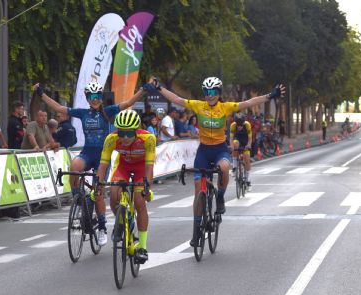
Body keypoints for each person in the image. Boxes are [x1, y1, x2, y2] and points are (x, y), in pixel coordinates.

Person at [149, 76, 284, 247]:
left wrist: (269, 96)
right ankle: (196, 229)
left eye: (213, 92)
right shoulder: (198, 105)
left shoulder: (225, 107)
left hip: (220, 149)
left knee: (225, 167)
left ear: (218, 93)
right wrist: (159, 88)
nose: (209, 95)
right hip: (204, 151)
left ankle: (220, 197)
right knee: (198, 194)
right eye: (207, 92)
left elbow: (248, 102)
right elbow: (177, 99)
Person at [33, 81, 147, 246]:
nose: (95, 99)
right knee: (74, 167)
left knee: (98, 191)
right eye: (91, 96)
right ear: (87, 98)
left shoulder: (108, 111)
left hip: (103, 157)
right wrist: (41, 94)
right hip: (87, 152)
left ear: (101, 97)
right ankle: (78, 199)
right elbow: (59, 108)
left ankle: (102, 227)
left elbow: (128, 103)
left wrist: (142, 90)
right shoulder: (83, 113)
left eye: (97, 96)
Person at [96, 109, 155, 264]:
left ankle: (142, 246)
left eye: (129, 133)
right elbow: (103, 165)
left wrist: (147, 187)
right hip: (123, 166)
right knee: (114, 196)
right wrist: (98, 185)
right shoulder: (111, 138)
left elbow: (149, 167)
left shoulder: (148, 138)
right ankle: (123, 222)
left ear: (136, 130)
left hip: (141, 167)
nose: (125, 137)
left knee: (139, 201)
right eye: (122, 133)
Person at [230, 113, 253, 188]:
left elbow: (250, 138)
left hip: (246, 142)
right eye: (238, 125)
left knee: (247, 159)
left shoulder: (247, 125)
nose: (239, 126)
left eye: (241, 125)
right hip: (238, 140)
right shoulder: (233, 125)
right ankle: (234, 167)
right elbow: (231, 138)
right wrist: (231, 146)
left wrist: (249, 145)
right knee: (234, 143)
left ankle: (248, 180)